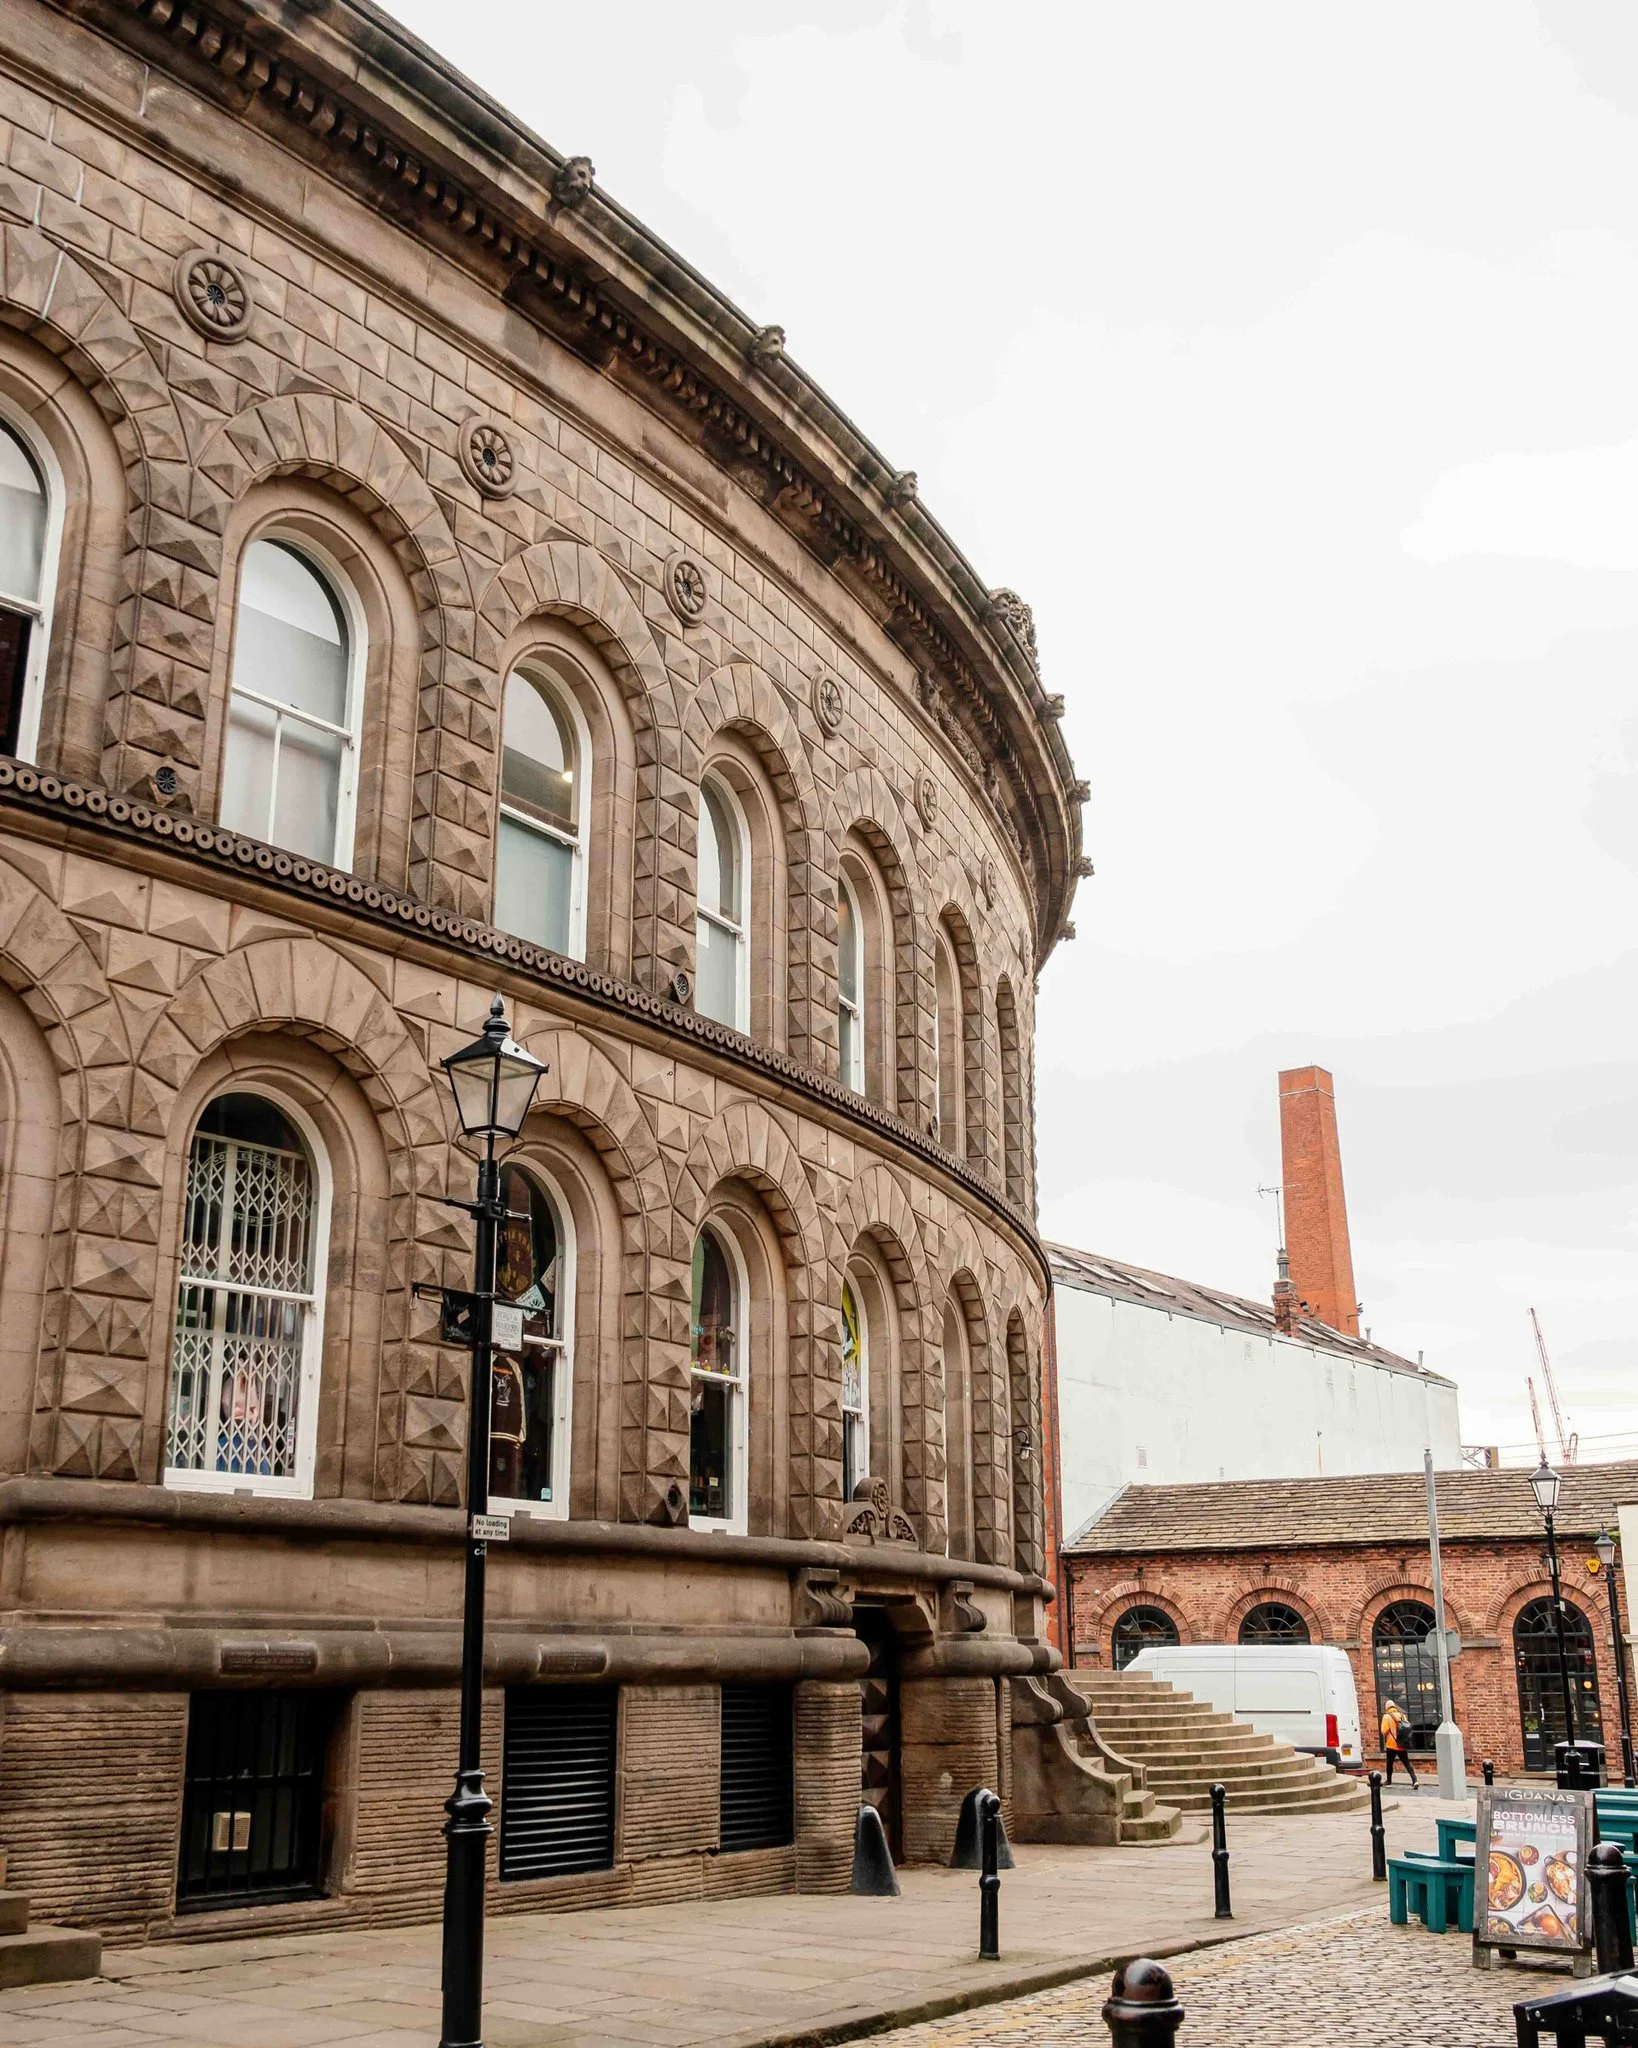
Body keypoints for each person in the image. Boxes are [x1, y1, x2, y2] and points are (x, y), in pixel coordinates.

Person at [1381, 1698, 1418, 1788]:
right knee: (1407, 1762)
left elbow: (1384, 1731)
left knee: (1389, 1763)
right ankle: (1415, 1780)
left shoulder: (1386, 1717)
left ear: (1387, 1708)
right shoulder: (1402, 1715)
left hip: (1391, 1744)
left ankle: (1389, 1780)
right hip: (1402, 1743)